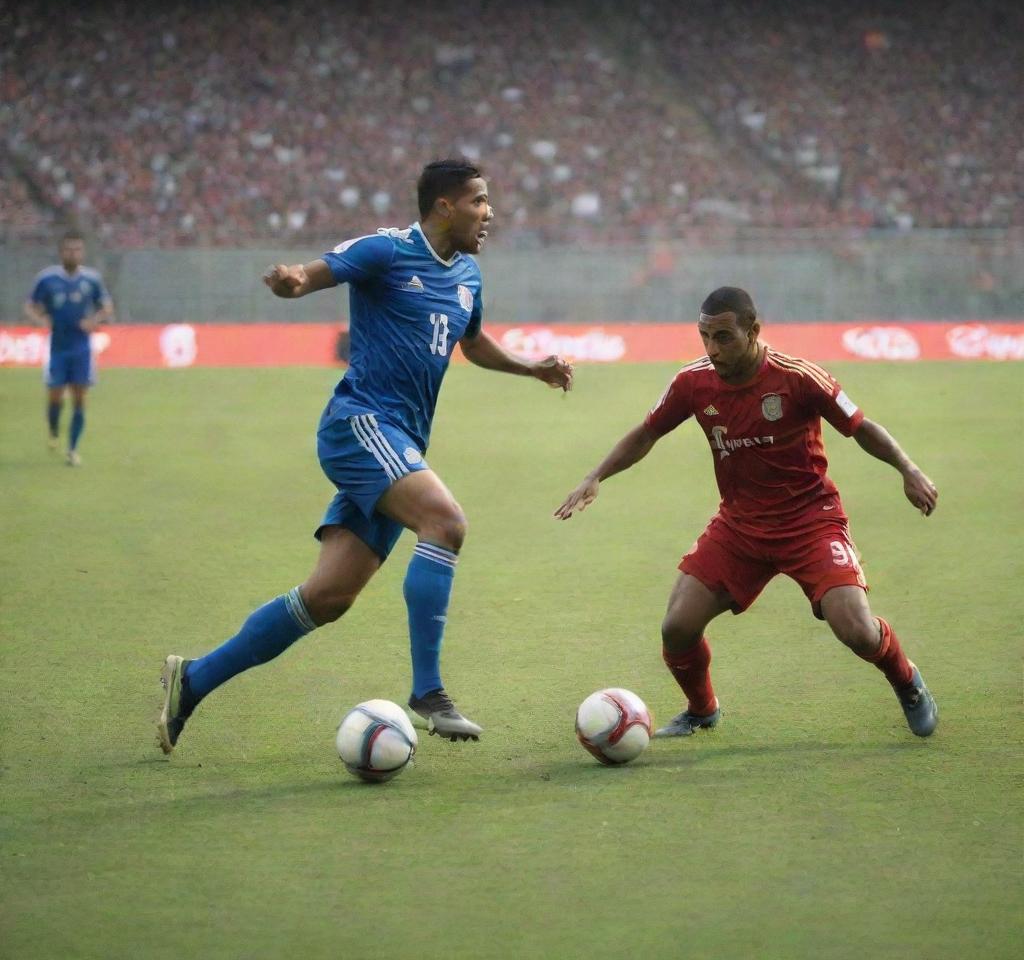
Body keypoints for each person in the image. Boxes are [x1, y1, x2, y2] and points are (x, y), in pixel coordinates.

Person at [158, 159, 574, 753]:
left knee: (326, 599)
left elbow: (473, 341)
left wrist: (531, 368)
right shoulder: (387, 250)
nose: (490, 213)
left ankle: (192, 682)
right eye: (479, 201)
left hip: (399, 442)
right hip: (360, 426)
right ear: (444, 207)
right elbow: (318, 272)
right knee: (446, 521)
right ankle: (428, 691)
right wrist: (294, 281)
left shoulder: (468, 277)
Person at [555, 286, 938, 738]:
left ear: (753, 331)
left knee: (856, 629)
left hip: (810, 522)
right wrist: (596, 474)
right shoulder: (692, 382)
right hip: (740, 526)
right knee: (677, 627)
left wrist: (908, 469)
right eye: (705, 337)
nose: (713, 349)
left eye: (723, 337)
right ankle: (702, 710)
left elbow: (862, 427)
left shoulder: (798, 377)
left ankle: (908, 682)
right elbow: (646, 433)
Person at [23, 232, 114, 466]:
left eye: (77, 249)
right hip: (57, 348)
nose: (72, 253)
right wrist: (40, 320)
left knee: (80, 399)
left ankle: (72, 450)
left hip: (81, 348)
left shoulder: (91, 280)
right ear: (61, 252)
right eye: (68, 249)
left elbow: (106, 307)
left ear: (82, 253)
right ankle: (53, 429)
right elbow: (30, 306)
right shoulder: (47, 279)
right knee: (55, 397)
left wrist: (94, 321)